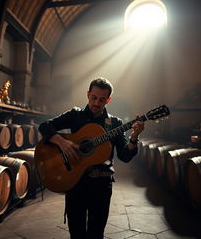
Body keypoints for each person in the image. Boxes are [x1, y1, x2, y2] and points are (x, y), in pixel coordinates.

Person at [38, 77, 145, 239]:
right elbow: (45, 126)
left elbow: (125, 156)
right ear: (88, 94)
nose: (96, 103)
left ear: (108, 100)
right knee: (77, 233)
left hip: (101, 186)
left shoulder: (115, 123)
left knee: (96, 234)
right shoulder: (75, 115)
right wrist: (62, 143)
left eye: (102, 100)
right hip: (75, 183)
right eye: (93, 98)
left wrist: (134, 137)